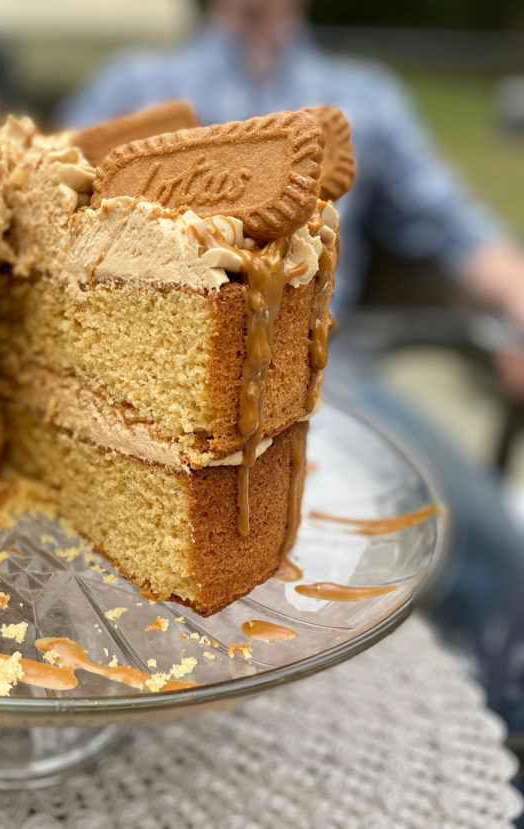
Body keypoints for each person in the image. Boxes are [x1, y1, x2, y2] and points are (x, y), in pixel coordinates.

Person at [60, 0, 524, 738]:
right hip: (117, 373)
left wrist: (517, 298)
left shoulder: (361, 95)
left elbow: (452, 221)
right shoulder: (137, 85)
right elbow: (51, 200)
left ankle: (506, 719)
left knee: (488, 540)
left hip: (329, 375)